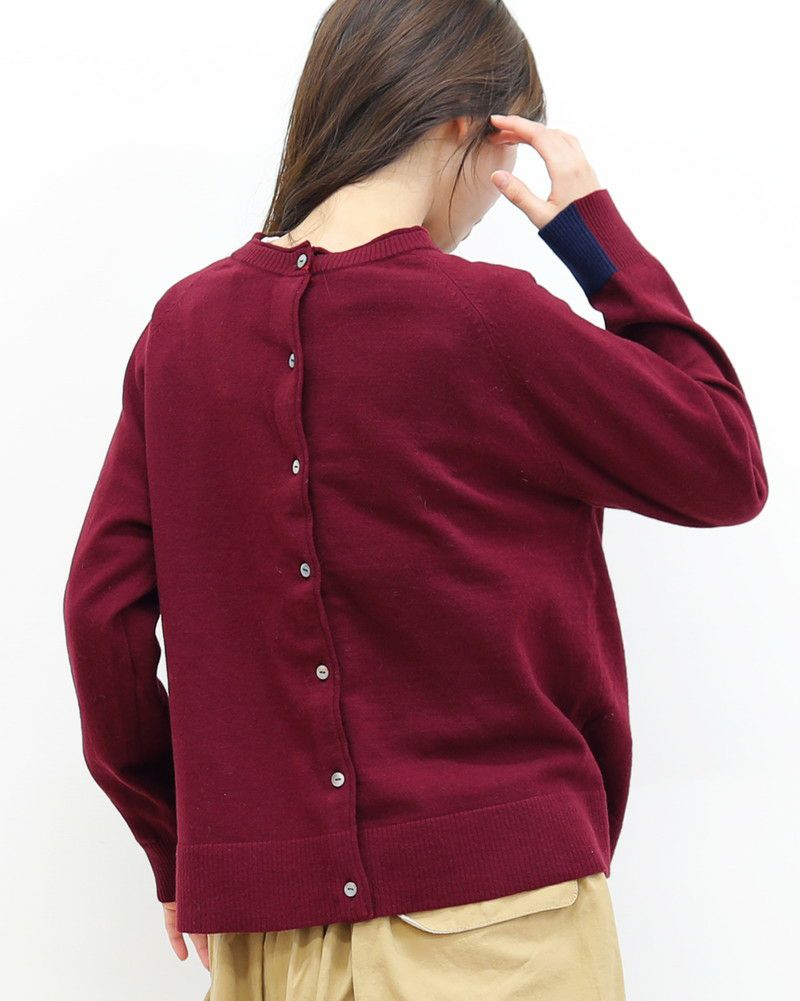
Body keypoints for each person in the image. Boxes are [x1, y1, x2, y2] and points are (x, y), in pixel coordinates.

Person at [62, 1, 769, 999]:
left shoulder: (183, 328)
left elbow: (101, 615)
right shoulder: (486, 315)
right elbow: (723, 460)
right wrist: (591, 234)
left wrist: (177, 844)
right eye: (504, 151)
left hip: (271, 942)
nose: (492, 197)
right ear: (461, 124)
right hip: (500, 930)